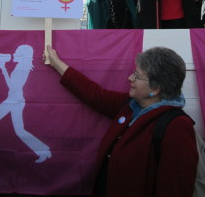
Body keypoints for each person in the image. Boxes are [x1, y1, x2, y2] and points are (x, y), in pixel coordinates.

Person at [43, 45, 198, 197]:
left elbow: (175, 189)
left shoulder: (177, 126)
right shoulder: (131, 106)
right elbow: (94, 95)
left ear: (155, 89)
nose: (130, 78)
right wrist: (56, 63)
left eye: (137, 76)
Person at [0, 45, 51, 165]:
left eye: (17, 52)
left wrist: (4, 70)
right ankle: (43, 151)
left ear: (23, 55)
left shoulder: (22, 67)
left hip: (14, 101)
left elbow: (13, 86)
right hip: (14, 100)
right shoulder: (21, 66)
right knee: (19, 130)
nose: (14, 54)